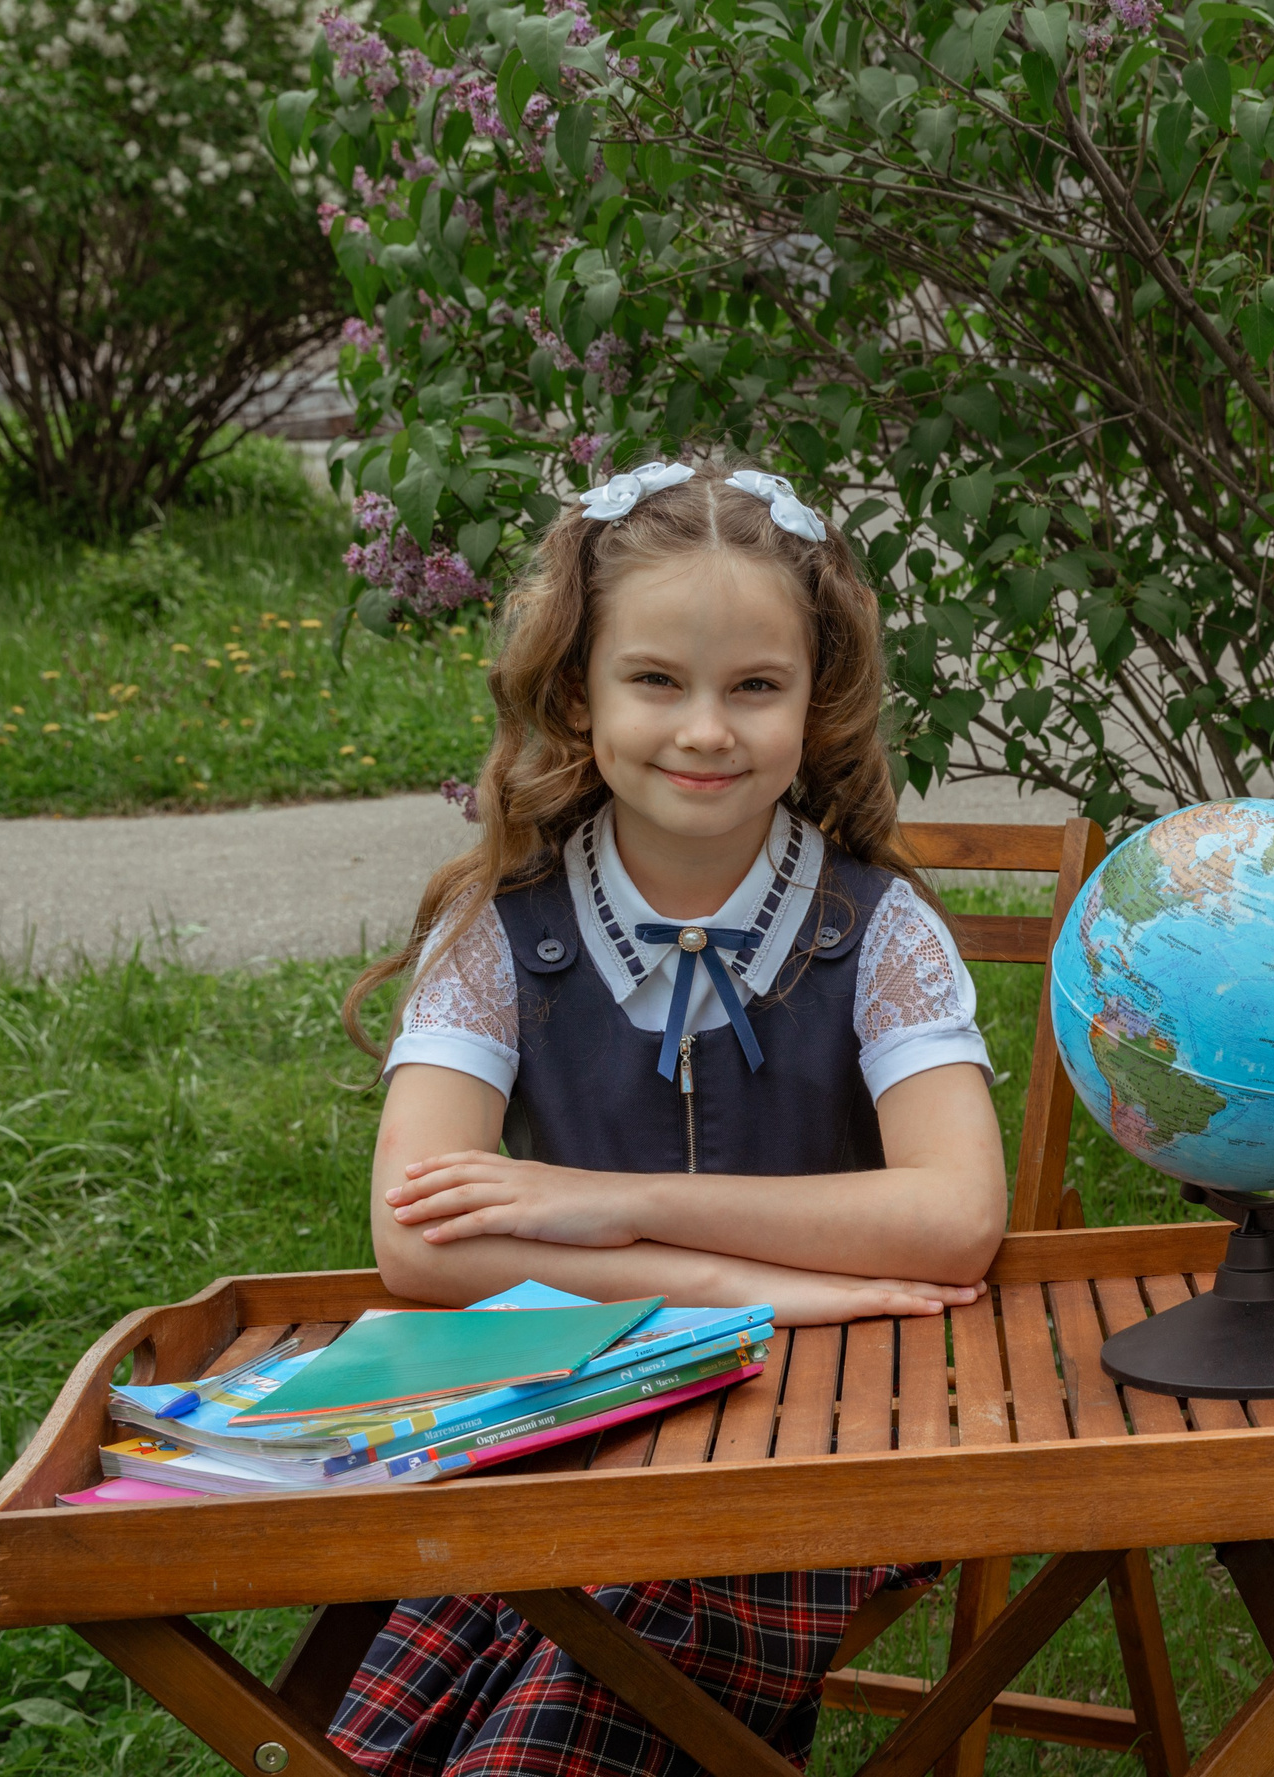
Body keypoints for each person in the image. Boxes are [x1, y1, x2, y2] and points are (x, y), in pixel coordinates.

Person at [326, 461, 1007, 1774]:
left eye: (754, 686)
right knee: (427, 1673)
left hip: (829, 1440)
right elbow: (416, 1238)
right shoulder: (498, 927)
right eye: (656, 680)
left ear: (816, 700)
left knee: (581, 1660)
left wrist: (611, 1205)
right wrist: (731, 1288)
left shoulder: (876, 931)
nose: (705, 729)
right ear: (579, 691)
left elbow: (955, 1216)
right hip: (549, 1420)